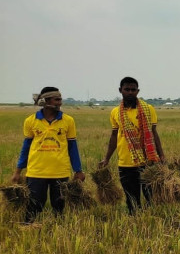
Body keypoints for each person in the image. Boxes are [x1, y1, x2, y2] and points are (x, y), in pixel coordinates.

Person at [12, 87, 85, 223]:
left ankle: (59, 233)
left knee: (59, 207)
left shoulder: (68, 121)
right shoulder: (31, 121)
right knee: (33, 205)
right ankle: (29, 229)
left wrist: (78, 170)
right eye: (56, 99)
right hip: (36, 172)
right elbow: (26, 148)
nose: (60, 102)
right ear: (46, 101)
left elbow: (72, 147)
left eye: (60, 99)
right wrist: (17, 172)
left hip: (60, 172)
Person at [98, 77, 165, 214]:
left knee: (151, 196)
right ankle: (135, 221)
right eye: (126, 89)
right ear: (120, 90)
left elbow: (153, 134)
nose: (130, 92)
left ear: (137, 91)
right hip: (126, 162)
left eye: (133, 90)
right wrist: (107, 158)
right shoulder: (115, 112)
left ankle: (151, 221)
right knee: (131, 198)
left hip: (148, 161)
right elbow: (114, 136)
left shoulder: (148, 109)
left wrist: (162, 155)